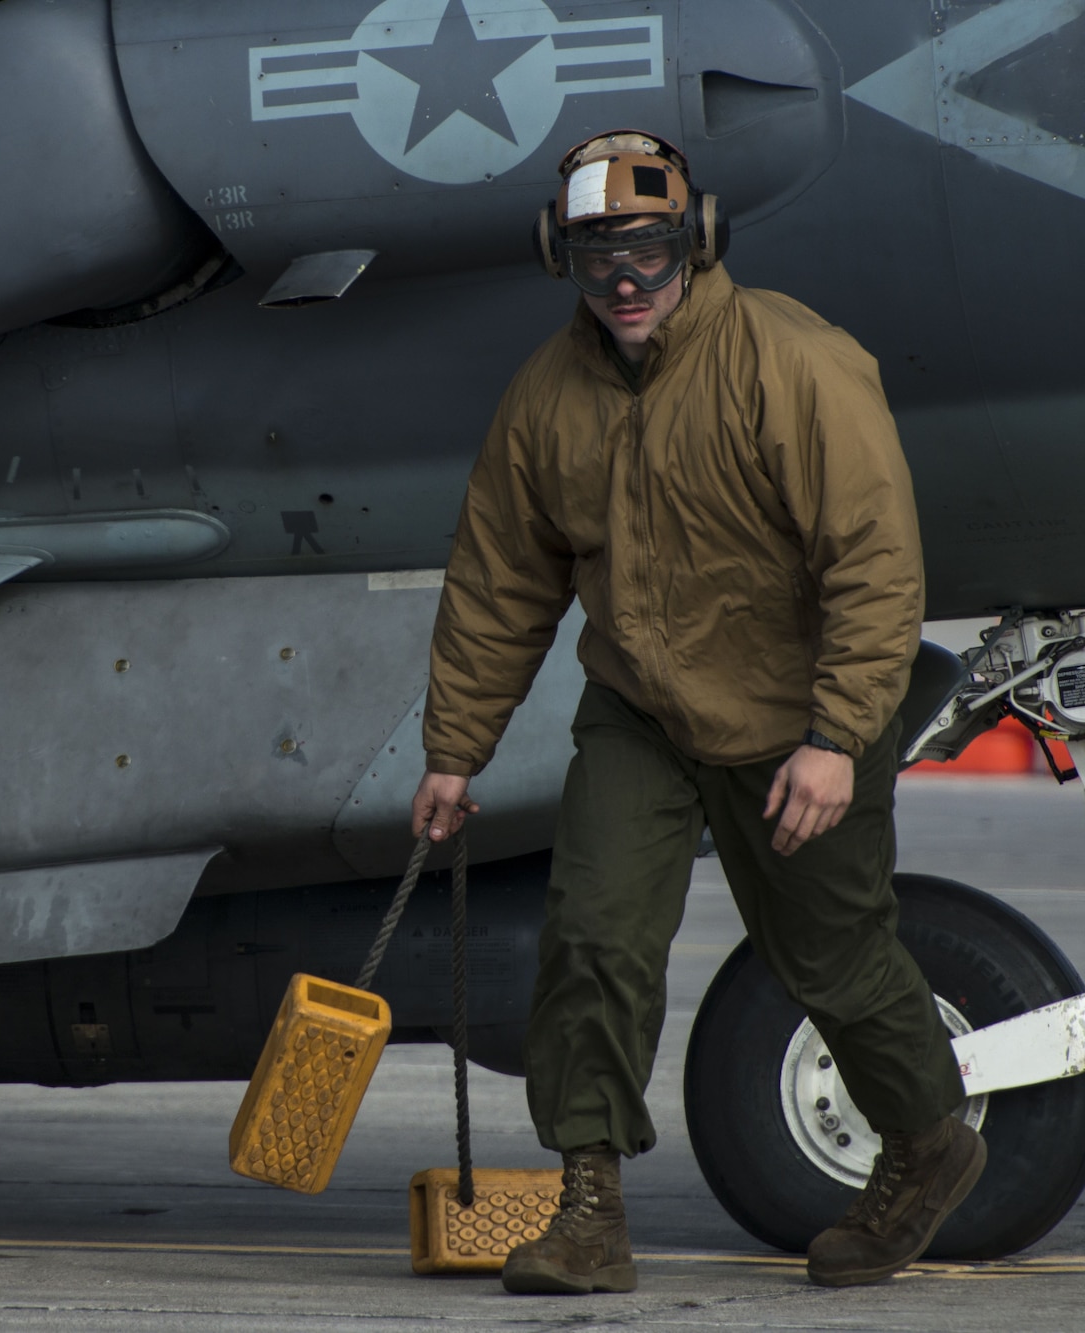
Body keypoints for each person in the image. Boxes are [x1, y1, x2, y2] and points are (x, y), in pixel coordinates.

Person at [409, 131, 984, 1294]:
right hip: (641, 714)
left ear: (696, 241)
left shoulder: (793, 365)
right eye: (594, 256)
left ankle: (928, 1145)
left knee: (828, 961)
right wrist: (452, 753)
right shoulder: (544, 400)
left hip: (798, 715)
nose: (623, 280)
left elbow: (873, 567)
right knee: (591, 941)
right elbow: (498, 584)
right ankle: (587, 1211)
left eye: (648, 248)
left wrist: (833, 740)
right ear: (557, 257)